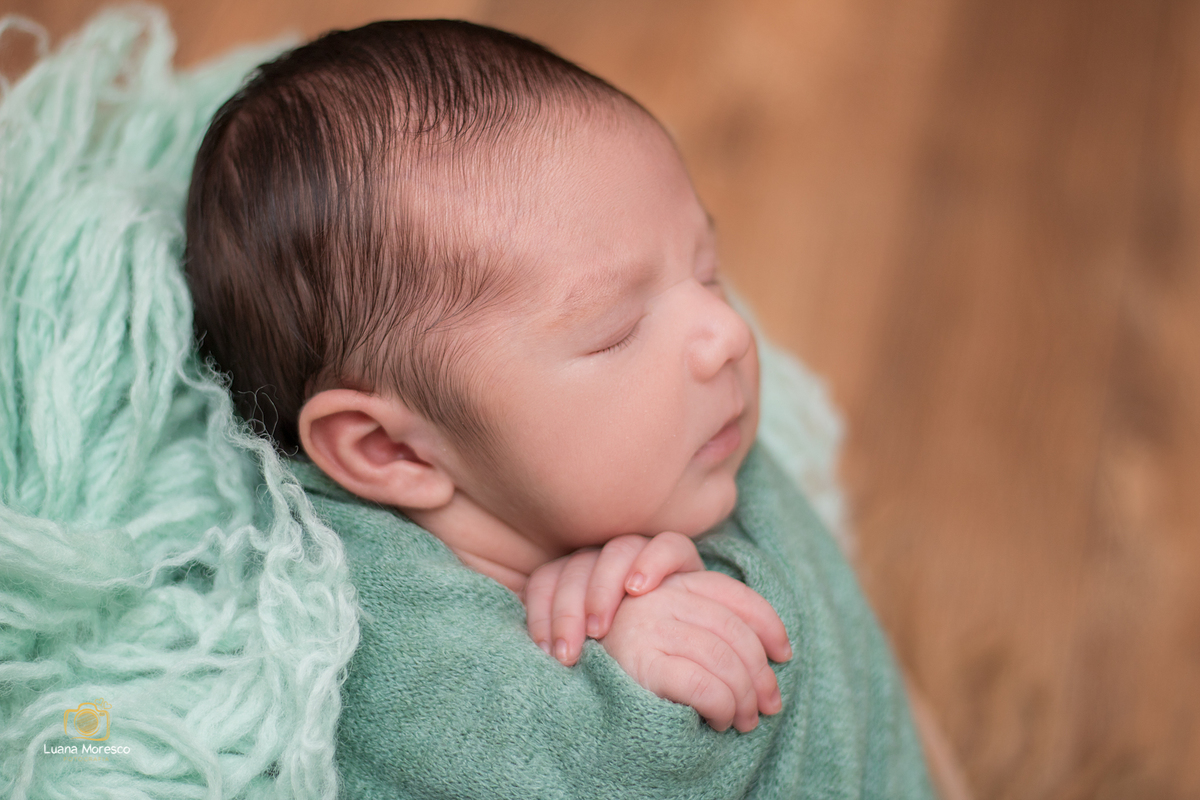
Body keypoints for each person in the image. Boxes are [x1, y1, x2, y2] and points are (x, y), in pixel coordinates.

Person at [185, 18, 932, 798]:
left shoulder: (662, 454)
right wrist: (640, 693)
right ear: (392, 451)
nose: (726, 332)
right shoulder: (371, 625)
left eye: (707, 274)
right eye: (618, 331)